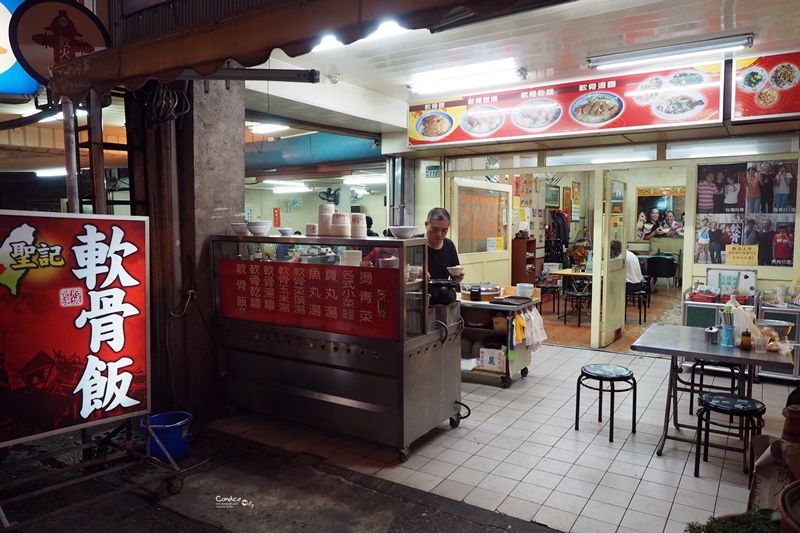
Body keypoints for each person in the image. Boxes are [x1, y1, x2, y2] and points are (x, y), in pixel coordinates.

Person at [424, 207, 464, 282]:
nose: (439, 234)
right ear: (426, 225)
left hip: (443, 291)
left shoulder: (449, 245)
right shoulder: (413, 243)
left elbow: (454, 277)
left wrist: (457, 277)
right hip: (418, 292)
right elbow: (395, 264)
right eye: (435, 229)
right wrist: (416, 271)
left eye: (444, 230)